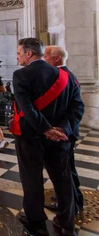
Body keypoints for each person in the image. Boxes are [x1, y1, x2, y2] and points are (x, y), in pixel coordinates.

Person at [12, 38, 84, 236]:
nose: (17, 56)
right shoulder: (65, 76)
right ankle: (66, 223)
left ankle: (37, 224)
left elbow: (27, 109)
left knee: (32, 179)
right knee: (63, 179)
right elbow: (78, 107)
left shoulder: (20, 75)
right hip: (61, 138)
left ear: (29, 54)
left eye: (19, 52)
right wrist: (62, 129)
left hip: (30, 137)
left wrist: (45, 128)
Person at [44, 45, 85, 215]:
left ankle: (67, 207)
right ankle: (75, 200)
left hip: (63, 134)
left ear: (56, 58)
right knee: (68, 169)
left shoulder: (64, 77)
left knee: (62, 174)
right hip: (67, 132)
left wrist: (61, 129)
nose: (43, 60)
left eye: (46, 56)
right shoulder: (67, 75)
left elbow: (77, 108)